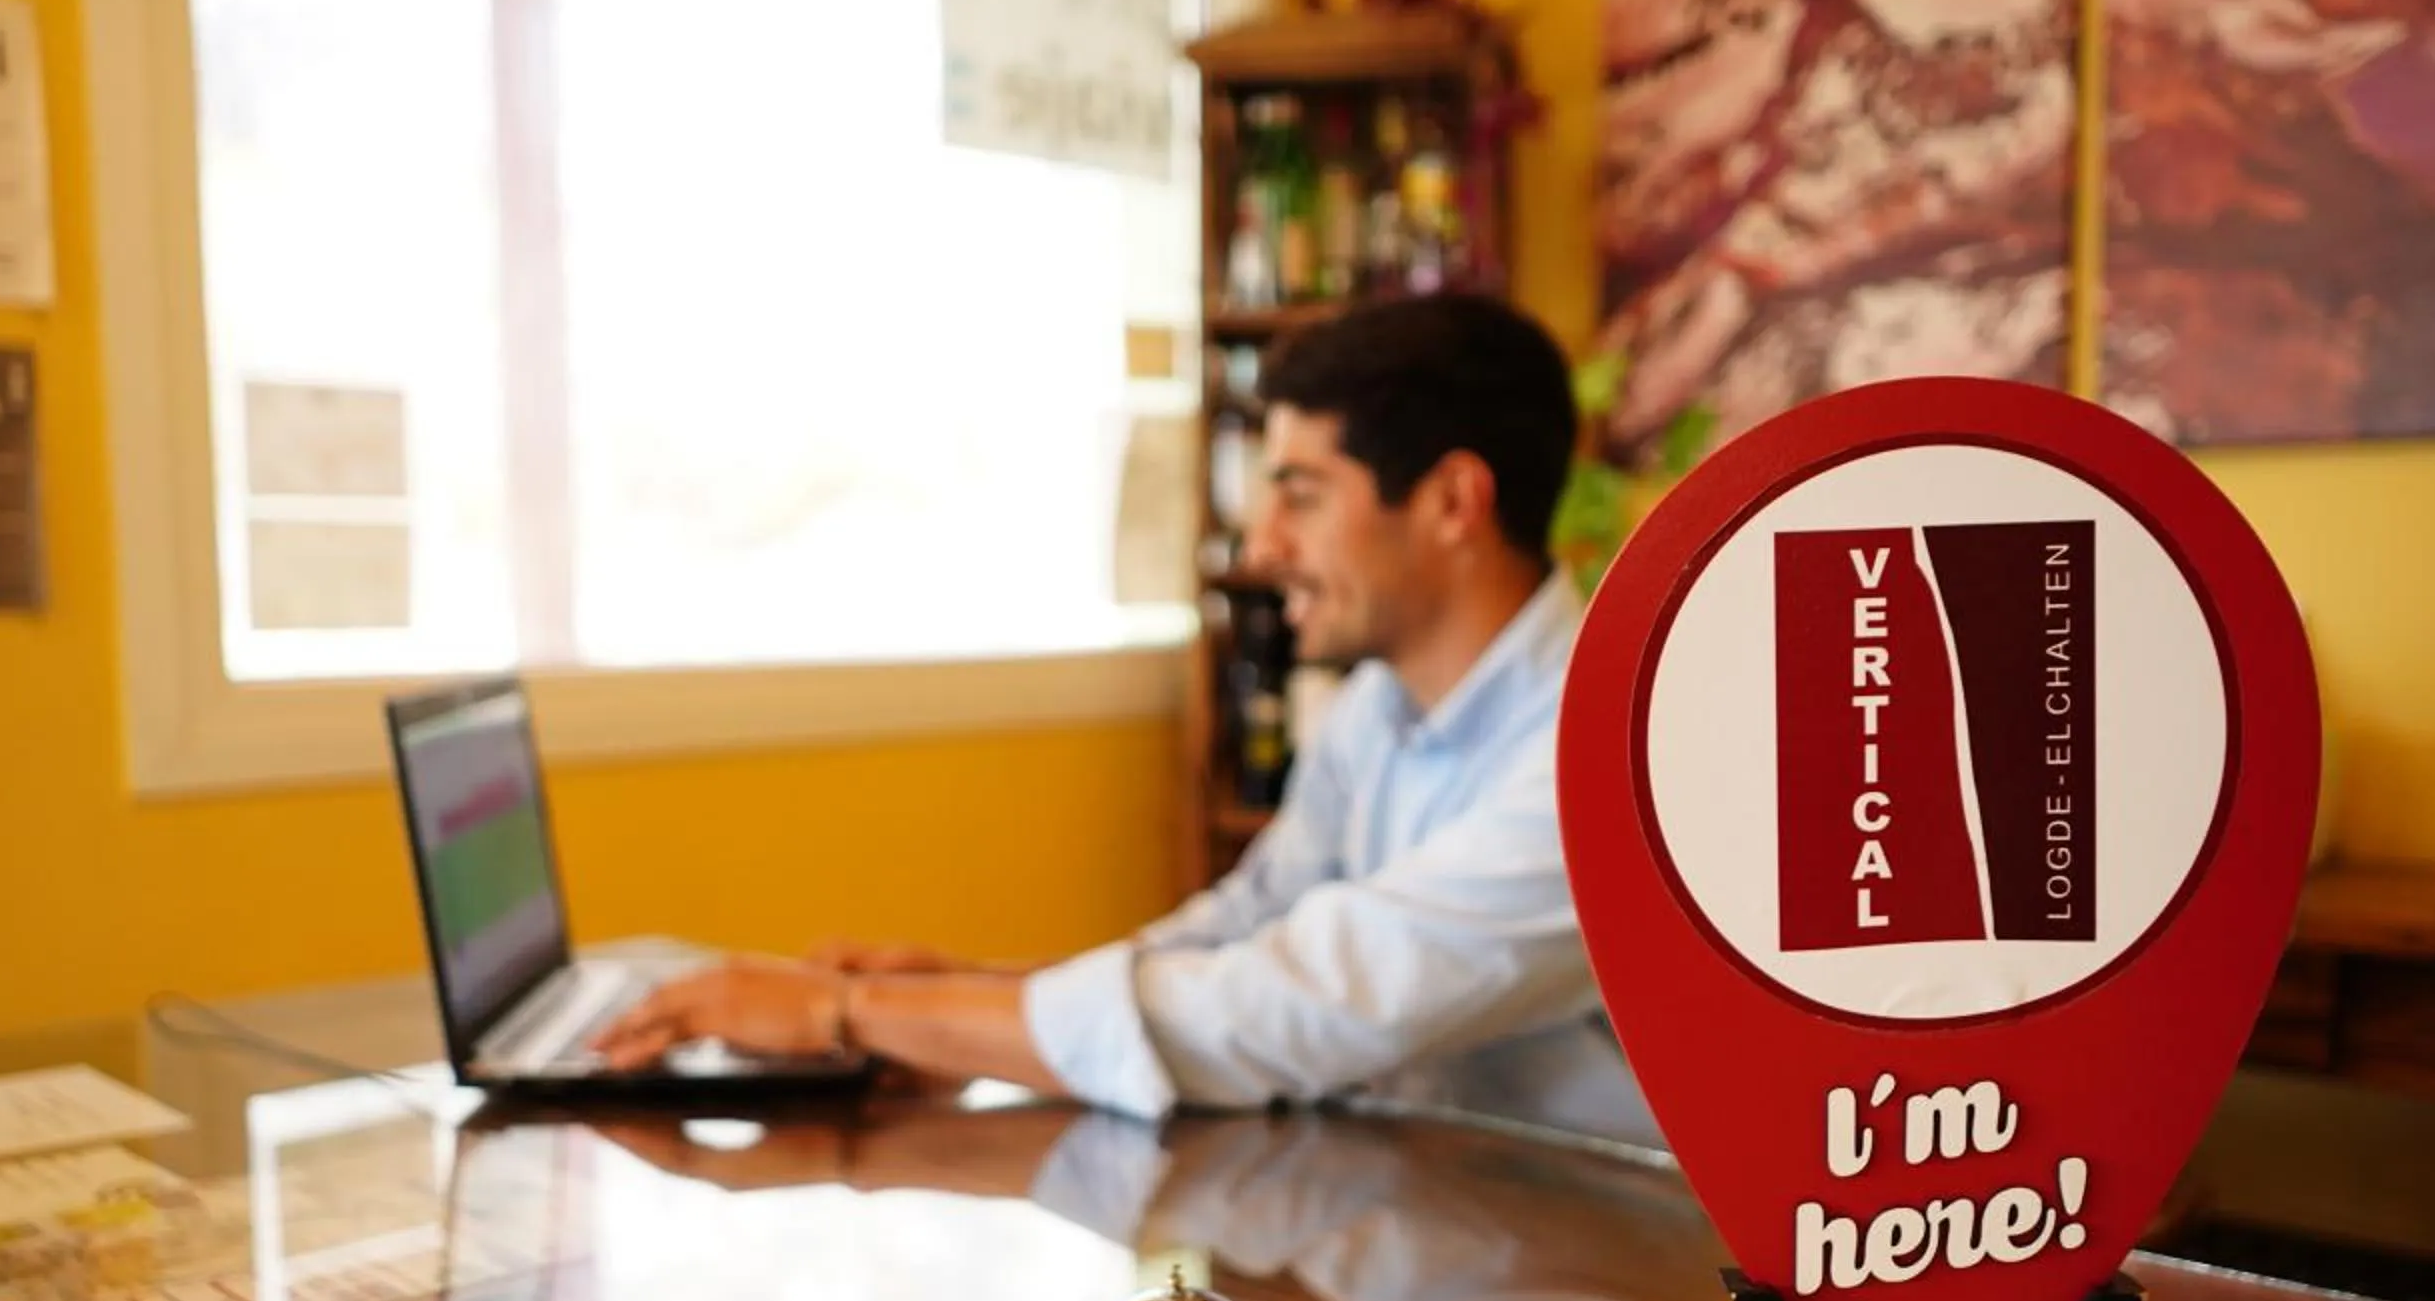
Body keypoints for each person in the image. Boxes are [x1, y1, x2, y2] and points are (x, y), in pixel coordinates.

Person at [592, 293, 1653, 1148]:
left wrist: (843, 1012)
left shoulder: (1609, 755)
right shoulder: (1375, 707)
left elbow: (1288, 1005)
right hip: (1429, 1231)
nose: (1261, 541)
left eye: (1302, 493)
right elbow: (1245, 929)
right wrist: (972, 995)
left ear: (1453, 501)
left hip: (1594, 1291)